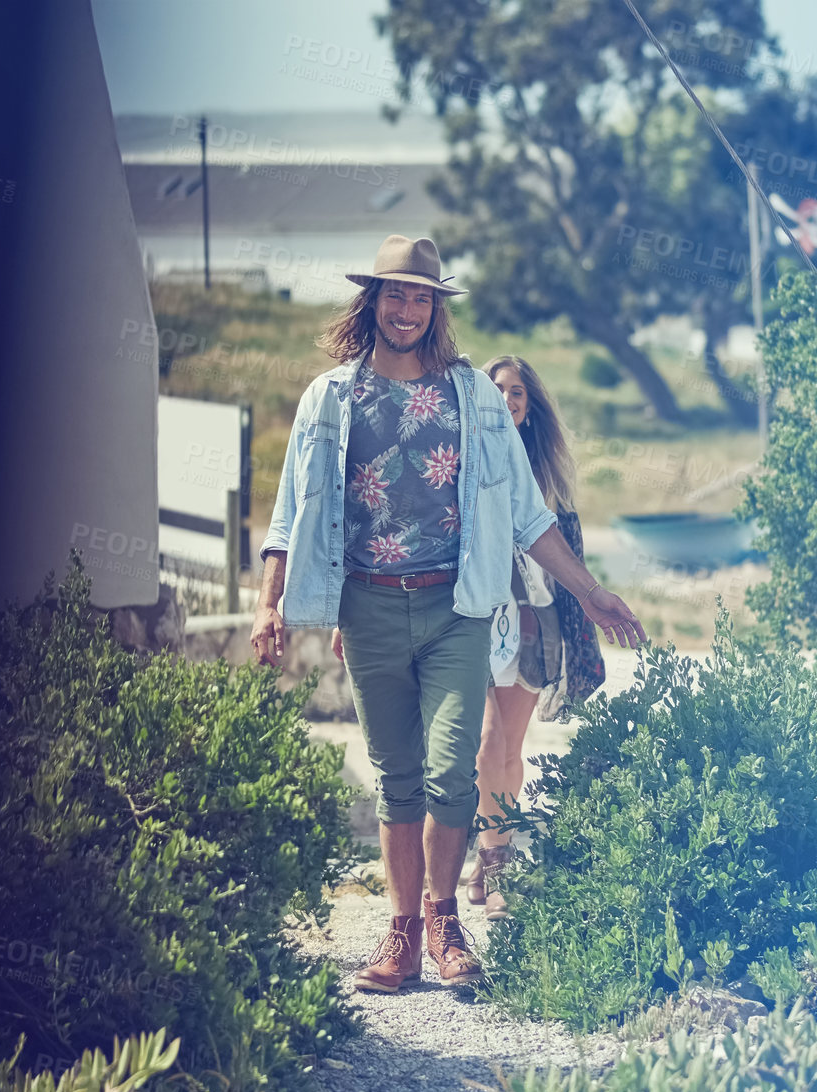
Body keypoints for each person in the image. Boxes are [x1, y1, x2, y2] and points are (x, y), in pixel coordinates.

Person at [251, 234, 646, 995]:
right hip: (365, 607)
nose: (405, 309)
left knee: (448, 774)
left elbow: (530, 518)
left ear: (436, 308)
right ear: (372, 301)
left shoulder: (472, 397)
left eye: (420, 296)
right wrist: (268, 603)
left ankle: (444, 920)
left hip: (456, 607)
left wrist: (591, 592)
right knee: (395, 778)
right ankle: (400, 932)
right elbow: (287, 513)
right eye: (394, 294)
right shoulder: (329, 397)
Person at [464, 355, 607, 920]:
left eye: (517, 391)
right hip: (474, 615)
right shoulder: (464, 453)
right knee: (484, 746)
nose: (507, 399)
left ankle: (492, 861)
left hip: (533, 621)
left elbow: (558, 552)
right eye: (496, 389)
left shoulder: (543, 469)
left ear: (530, 403)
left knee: (505, 745)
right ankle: (490, 857)